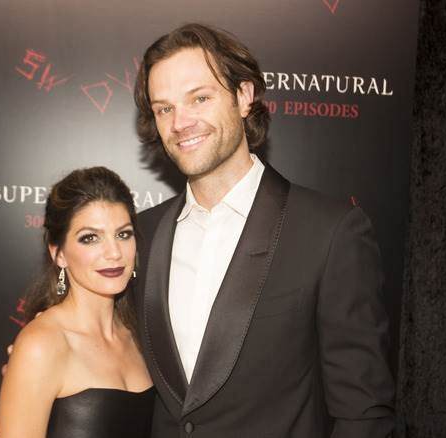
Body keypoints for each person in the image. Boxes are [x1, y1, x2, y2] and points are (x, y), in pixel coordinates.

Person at [130, 23, 396, 437]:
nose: (180, 122)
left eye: (199, 98)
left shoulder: (330, 232)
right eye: (164, 108)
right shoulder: (143, 234)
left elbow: (363, 412)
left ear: (243, 96)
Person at [0, 167, 155, 438]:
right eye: (90, 238)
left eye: (123, 234)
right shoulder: (41, 344)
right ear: (59, 254)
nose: (114, 253)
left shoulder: (141, 334)